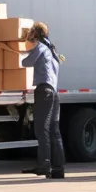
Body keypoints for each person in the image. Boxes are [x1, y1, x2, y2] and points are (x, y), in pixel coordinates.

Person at [21, 22, 67, 179]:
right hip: (54, 92)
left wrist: (22, 49)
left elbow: (25, 62)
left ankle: (44, 165)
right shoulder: (52, 50)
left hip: (44, 92)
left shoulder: (40, 48)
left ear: (35, 33)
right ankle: (58, 168)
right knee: (54, 129)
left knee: (42, 129)